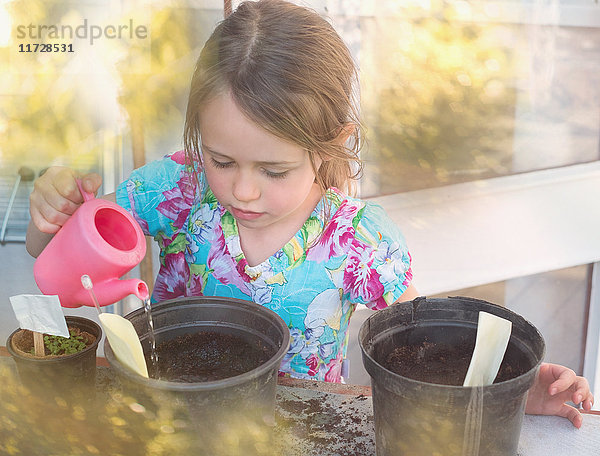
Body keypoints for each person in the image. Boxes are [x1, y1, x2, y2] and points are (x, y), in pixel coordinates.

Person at [26, 0, 593, 427]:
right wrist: (52, 215)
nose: (243, 191)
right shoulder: (178, 187)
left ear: (329, 146)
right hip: (172, 419)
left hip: (300, 427)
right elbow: (54, 261)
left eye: (274, 171)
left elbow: (425, 361)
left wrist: (514, 394)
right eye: (222, 159)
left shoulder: (358, 242)